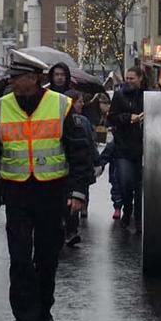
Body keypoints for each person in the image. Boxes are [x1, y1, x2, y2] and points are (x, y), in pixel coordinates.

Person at [0, 58, 94, 321]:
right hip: (17, 191)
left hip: (52, 191)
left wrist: (78, 191)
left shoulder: (61, 105)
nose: (12, 80)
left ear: (35, 78)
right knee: (20, 259)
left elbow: (79, 151)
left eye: (18, 76)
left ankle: (44, 309)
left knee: (47, 258)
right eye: (11, 76)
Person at [107, 67, 146, 230]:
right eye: (127, 78)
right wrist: (128, 118)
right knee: (125, 183)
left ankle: (138, 218)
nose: (129, 81)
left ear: (140, 79)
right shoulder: (119, 96)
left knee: (139, 186)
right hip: (124, 147)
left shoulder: (147, 96)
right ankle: (127, 209)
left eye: (132, 78)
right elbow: (112, 118)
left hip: (143, 148)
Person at [64, 89, 97, 243]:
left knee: (74, 197)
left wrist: (96, 161)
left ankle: (71, 230)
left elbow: (89, 144)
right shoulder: (68, 120)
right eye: (79, 101)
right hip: (63, 167)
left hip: (77, 167)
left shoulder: (83, 121)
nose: (82, 104)